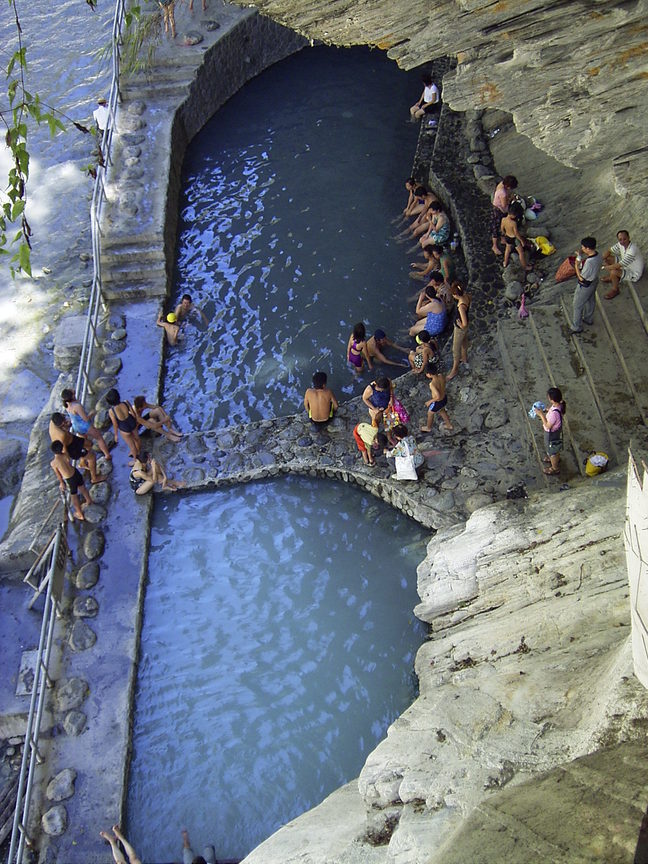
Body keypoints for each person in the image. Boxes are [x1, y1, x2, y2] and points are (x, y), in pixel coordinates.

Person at [48, 413, 105, 484]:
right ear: (60, 425)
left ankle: (82, 463)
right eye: (64, 423)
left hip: (72, 439)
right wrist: (67, 460)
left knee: (89, 444)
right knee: (92, 457)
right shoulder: (61, 435)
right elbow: (64, 450)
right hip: (71, 448)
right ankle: (94, 478)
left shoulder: (52, 422)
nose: (65, 421)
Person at [61, 388, 112, 460]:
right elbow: (86, 419)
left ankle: (86, 460)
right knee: (99, 438)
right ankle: (107, 455)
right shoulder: (76, 406)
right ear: (72, 396)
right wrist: (92, 413)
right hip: (84, 426)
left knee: (85, 444)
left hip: (76, 426)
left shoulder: (66, 405)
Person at [50, 441, 92, 521]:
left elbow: (58, 474)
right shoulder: (65, 454)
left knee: (74, 496)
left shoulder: (53, 463)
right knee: (82, 488)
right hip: (75, 472)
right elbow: (68, 460)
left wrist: (62, 483)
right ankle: (89, 500)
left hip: (69, 479)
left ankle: (79, 514)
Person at [571, 236, 602, 334]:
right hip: (594, 281)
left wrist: (576, 266)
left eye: (583, 247)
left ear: (588, 248)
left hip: (585, 285)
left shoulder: (589, 263)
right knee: (590, 300)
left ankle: (576, 327)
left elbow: (581, 278)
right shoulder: (598, 255)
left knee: (577, 305)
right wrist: (579, 256)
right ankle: (588, 318)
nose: (582, 249)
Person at [601, 230, 645, 299]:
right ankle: (614, 278)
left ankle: (615, 289)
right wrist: (600, 260)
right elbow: (609, 250)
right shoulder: (620, 244)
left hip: (634, 272)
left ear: (629, 237)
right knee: (608, 259)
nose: (622, 241)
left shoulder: (632, 250)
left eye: (625, 239)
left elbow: (618, 265)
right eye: (620, 239)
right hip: (626, 264)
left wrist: (604, 267)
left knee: (613, 271)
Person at [534, 387, 566, 476]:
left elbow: (548, 425)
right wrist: (545, 410)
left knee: (552, 450)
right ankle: (555, 458)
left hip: (551, 434)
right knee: (555, 447)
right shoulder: (558, 405)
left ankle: (554, 468)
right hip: (556, 432)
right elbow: (552, 410)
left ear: (551, 399)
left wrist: (541, 415)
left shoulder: (553, 414)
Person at [446, 281, 471, 381]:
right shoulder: (466, 296)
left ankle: (454, 370)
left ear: (456, 294)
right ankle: (464, 359)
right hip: (465, 328)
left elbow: (464, 323)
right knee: (464, 343)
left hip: (460, 329)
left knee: (455, 350)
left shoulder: (461, 306)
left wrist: (460, 325)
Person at [106, 389, 141, 459]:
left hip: (124, 427)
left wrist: (116, 435)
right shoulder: (126, 402)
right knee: (137, 439)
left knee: (131, 446)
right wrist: (137, 421)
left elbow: (115, 424)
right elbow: (133, 414)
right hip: (131, 422)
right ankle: (139, 451)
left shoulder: (111, 411)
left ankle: (135, 459)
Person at [421, 364, 453, 432]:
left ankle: (428, 427)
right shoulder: (441, 376)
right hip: (444, 398)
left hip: (437, 402)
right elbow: (444, 382)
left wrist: (429, 401)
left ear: (429, 374)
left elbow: (437, 396)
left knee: (430, 413)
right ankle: (449, 425)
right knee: (442, 410)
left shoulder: (432, 384)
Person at [491, 175, 518, 256]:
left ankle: (502, 239)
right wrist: (511, 199)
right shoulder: (503, 193)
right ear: (508, 186)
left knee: (500, 226)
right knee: (496, 227)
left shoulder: (501, 184)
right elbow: (504, 204)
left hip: (496, 207)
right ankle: (494, 246)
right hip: (499, 210)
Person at [500, 201, 531, 270]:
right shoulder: (513, 223)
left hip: (507, 236)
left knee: (507, 250)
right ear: (514, 214)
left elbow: (502, 229)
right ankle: (525, 266)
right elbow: (516, 234)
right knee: (521, 252)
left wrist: (504, 234)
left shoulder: (503, 219)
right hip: (514, 239)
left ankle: (505, 262)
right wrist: (522, 241)